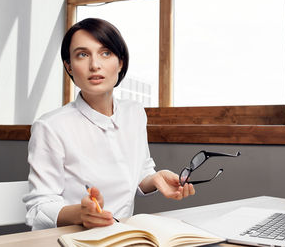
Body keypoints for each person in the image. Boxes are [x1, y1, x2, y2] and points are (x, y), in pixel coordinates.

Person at [23, 18, 195, 230]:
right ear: (69, 66)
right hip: (70, 239)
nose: (95, 65)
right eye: (82, 55)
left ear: (120, 62)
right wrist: (81, 213)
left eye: (105, 53)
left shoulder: (134, 112)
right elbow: (38, 207)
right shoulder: (50, 126)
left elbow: (139, 171)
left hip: (121, 235)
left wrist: (156, 179)